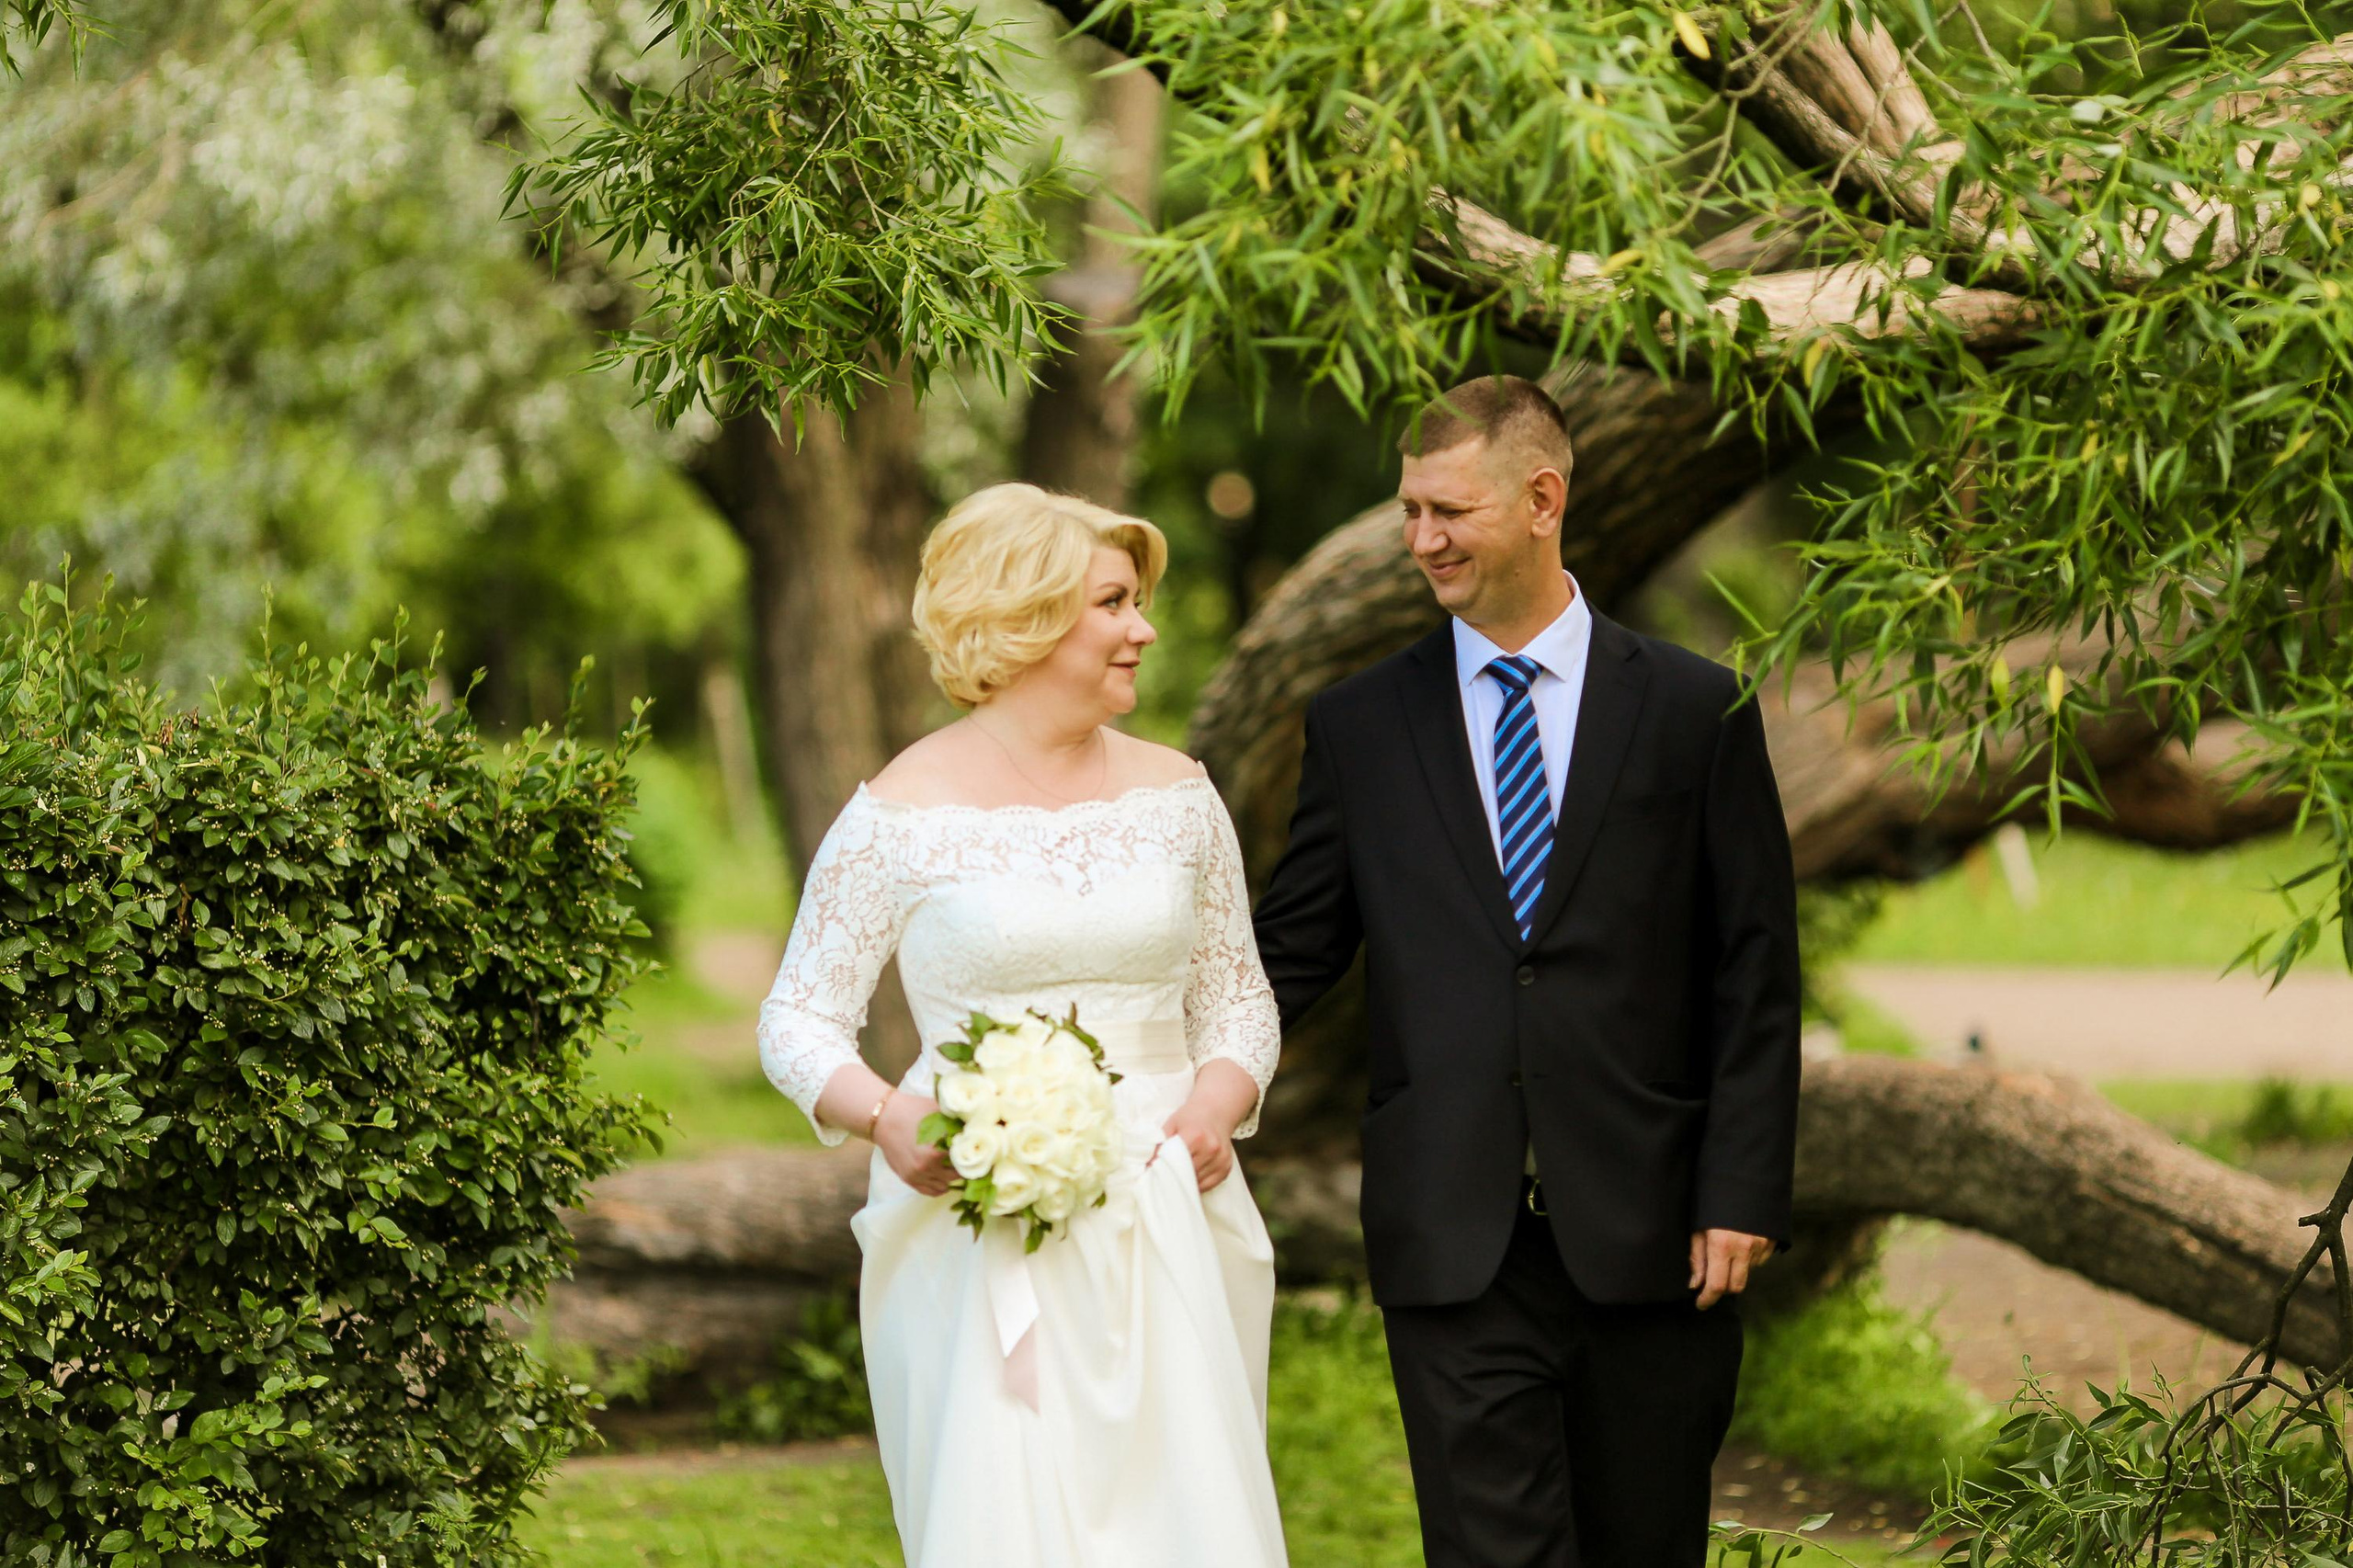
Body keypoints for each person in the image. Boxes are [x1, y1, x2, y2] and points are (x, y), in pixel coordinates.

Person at [1252, 374, 1802, 1566]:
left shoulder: (1694, 709)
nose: (1420, 539)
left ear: (1542, 497)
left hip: (1657, 1236)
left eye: (1447, 510)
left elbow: (1753, 967)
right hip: (1453, 1239)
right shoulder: (1359, 724)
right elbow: (1289, 953)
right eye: (1409, 511)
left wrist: (1742, 1187)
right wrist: (1128, 1061)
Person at [755, 482, 1289, 1567]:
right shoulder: (902, 810)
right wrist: (890, 1120)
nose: (1142, 627)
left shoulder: (1180, 794)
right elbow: (798, 1015)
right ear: (1027, 617)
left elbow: (1238, 994)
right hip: (979, 1223)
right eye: (1113, 602)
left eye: (1136, 602)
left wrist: (1213, 1107)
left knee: (1187, 1522)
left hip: (1167, 1212)